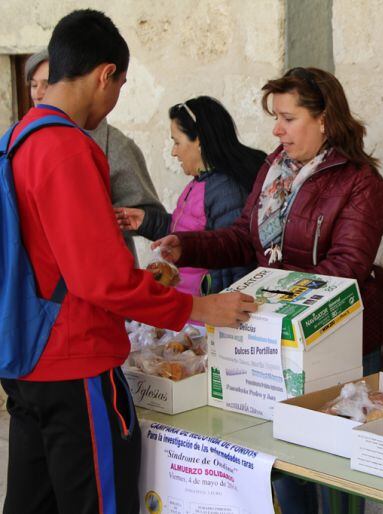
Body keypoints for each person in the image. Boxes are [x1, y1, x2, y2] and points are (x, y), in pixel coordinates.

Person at [2, 10, 256, 513]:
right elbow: (103, 281)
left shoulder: (17, 138)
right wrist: (201, 310)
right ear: (105, 75)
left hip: (27, 357)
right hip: (75, 362)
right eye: (120, 84)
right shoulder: (66, 148)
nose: (115, 99)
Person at [154, 66, 383, 514]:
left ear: (324, 119)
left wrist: (273, 298)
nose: (276, 128)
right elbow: (246, 237)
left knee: (335, 471)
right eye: (275, 117)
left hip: (339, 342)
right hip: (275, 339)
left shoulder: (362, 184)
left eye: (288, 117)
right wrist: (187, 246)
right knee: (283, 460)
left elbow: (346, 268)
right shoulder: (273, 168)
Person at [115, 96, 267, 296]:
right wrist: (147, 221)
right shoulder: (200, 182)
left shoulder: (227, 191)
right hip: (190, 310)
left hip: (205, 317)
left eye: (177, 142)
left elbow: (233, 262)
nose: (173, 152)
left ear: (199, 141)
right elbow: (187, 230)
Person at [25, 48, 164, 264]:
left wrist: (99, 216)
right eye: (34, 85)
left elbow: (152, 218)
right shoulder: (20, 138)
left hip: (102, 271)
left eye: (47, 83)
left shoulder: (115, 145)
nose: (39, 93)